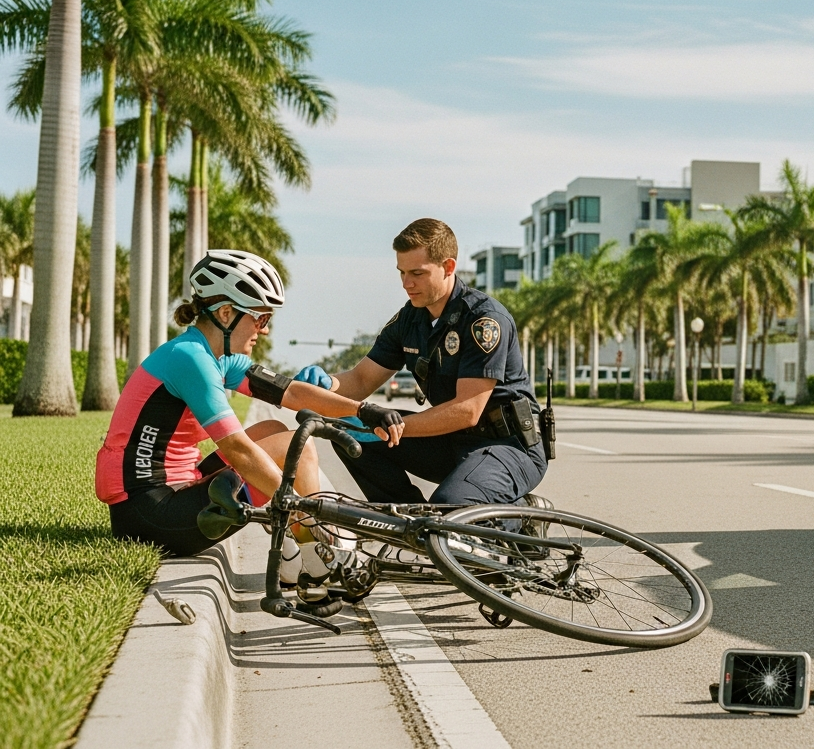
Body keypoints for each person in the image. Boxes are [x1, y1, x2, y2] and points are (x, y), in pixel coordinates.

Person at [97, 250, 404, 613]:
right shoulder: (191, 359)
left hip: (178, 489)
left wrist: (363, 410)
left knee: (274, 429)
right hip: (150, 514)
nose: (265, 328)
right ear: (226, 314)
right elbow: (239, 450)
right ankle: (316, 561)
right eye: (260, 317)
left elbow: (291, 392)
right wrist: (309, 517)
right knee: (296, 447)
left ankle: (296, 562)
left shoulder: (215, 355)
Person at [292, 218, 547, 508]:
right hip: (450, 442)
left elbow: (468, 411)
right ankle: (409, 517)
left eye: (417, 273)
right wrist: (325, 384)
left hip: (507, 447)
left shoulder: (483, 320)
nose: (406, 284)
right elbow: (361, 380)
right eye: (401, 272)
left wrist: (391, 427)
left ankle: (523, 515)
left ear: (448, 267)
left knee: (452, 507)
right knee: (348, 429)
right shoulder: (410, 319)